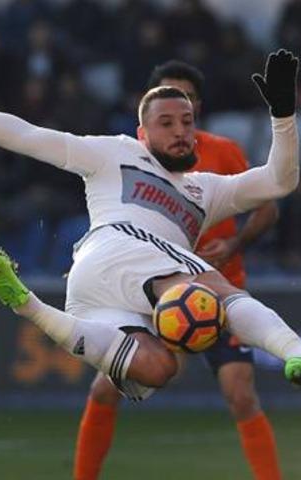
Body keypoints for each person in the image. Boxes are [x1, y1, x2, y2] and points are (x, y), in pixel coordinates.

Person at [0, 47, 301, 411]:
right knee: (215, 285)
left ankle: (29, 307)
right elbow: (32, 137)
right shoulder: (113, 153)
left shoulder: (205, 189)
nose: (179, 132)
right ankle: (297, 351)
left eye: (187, 123)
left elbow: (279, 180)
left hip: (95, 296)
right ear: (142, 134)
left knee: (157, 368)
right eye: (166, 123)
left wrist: (283, 116)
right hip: (121, 248)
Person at [73, 60, 282, 480]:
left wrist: (236, 243)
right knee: (104, 388)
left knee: (240, 395)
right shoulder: (129, 158)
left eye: (183, 99)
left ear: (197, 106)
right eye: (165, 99)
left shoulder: (222, 151)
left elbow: (269, 207)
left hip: (220, 293)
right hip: (151, 295)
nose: (175, 109)